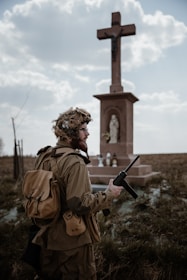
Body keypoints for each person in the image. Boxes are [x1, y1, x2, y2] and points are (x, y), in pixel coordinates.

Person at [32, 107, 123, 280]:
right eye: (83, 129)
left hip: (45, 238)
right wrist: (109, 194)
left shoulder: (44, 156)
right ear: (70, 133)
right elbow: (80, 204)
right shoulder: (75, 162)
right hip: (73, 243)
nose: (87, 134)